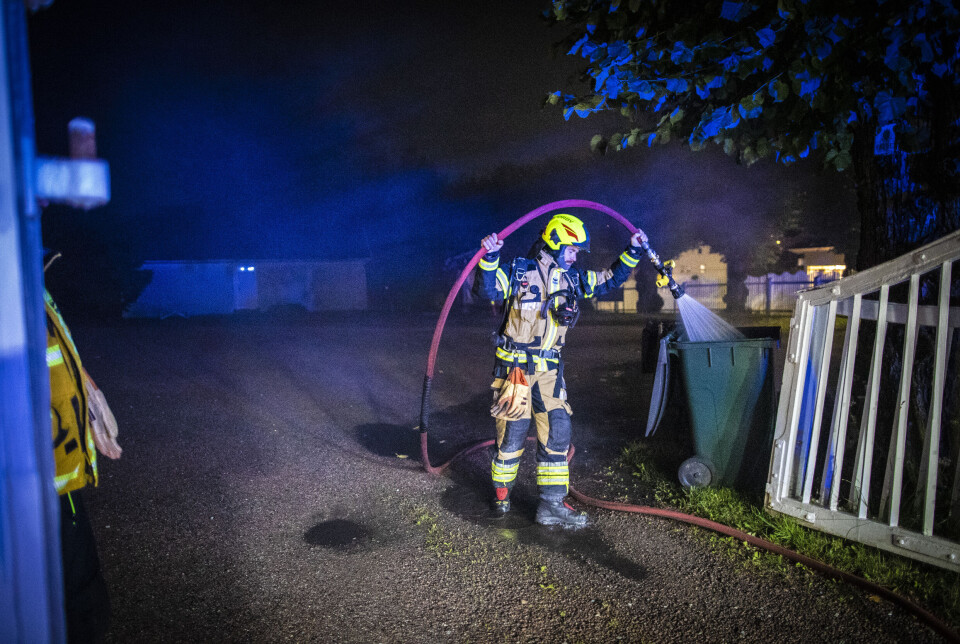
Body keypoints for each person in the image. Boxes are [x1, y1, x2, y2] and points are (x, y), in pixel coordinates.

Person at [475, 213, 647, 527]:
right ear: (554, 243)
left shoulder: (572, 280)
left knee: (558, 432)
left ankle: (551, 505)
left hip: (549, 371)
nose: (574, 257)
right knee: (512, 435)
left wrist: (633, 250)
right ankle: (502, 494)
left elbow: (610, 279)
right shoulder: (520, 272)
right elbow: (487, 290)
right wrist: (490, 257)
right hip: (515, 370)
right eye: (571, 250)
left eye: (577, 252)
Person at [45, 283, 122, 643]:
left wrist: (88, 391)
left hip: (58, 471)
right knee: (75, 596)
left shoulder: (30, 285)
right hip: (39, 478)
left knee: (79, 589)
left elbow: (59, 354)